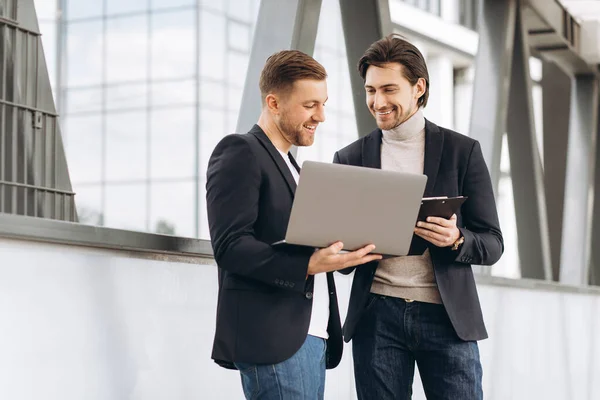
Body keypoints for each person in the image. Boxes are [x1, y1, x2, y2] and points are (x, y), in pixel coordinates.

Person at [334, 35, 504, 399]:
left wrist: (457, 239)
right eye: (370, 90)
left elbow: (493, 242)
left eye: (389, 89)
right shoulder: (348, 159)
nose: (378, 102)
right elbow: (341, 260)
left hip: (447, 317)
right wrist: (345, 246)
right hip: (376, 316)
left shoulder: (463, 151)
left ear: (419, 87)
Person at [206, 50, 382, 399]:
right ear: (273, 103)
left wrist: (347, 250)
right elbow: (230, 246)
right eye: (309, 105)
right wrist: (307, 264)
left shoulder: (295, 168)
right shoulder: (240, 151)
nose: (321, 116)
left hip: (311, 335)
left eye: (324, 104)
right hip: (274, 338)